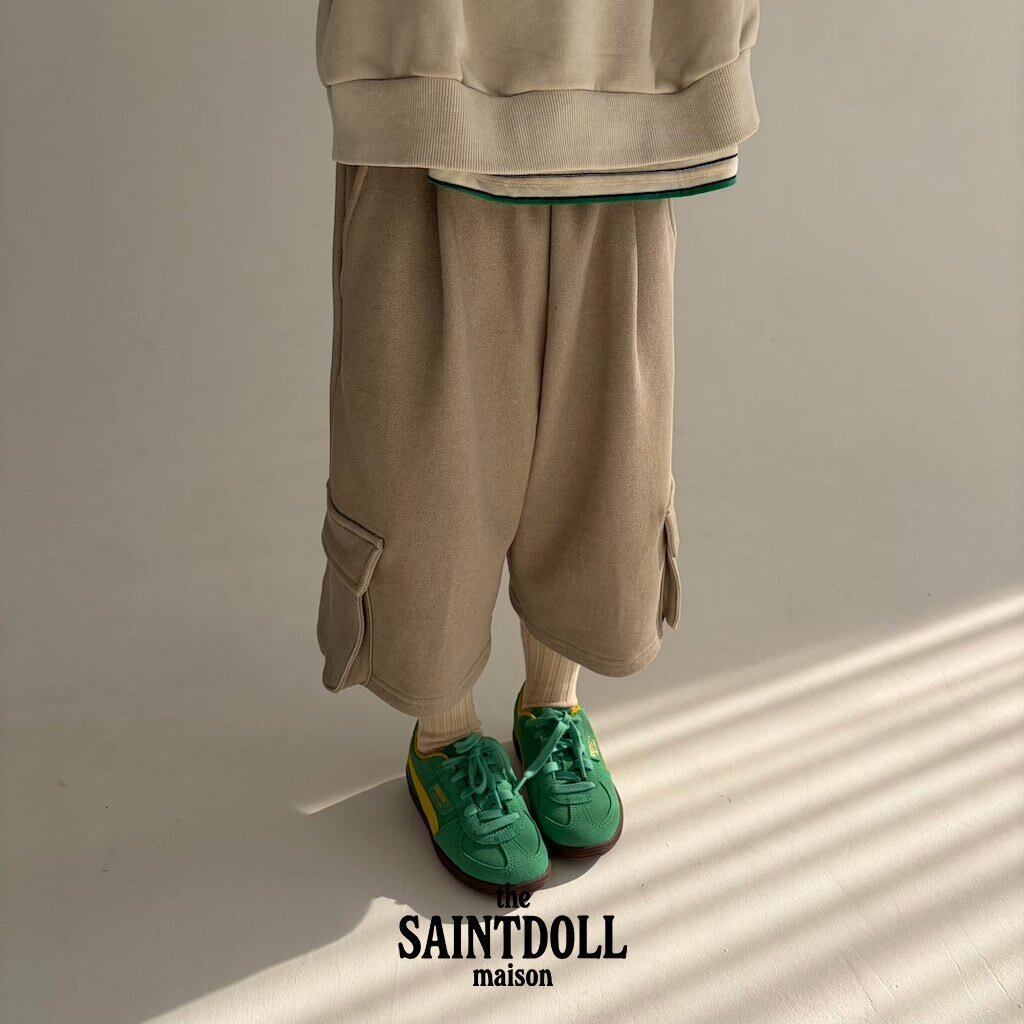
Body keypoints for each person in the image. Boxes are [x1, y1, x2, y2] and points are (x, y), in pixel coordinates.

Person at [314, 0, 759, 893]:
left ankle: (553, 703)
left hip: (625, 78)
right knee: (424, 456)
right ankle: (444, 738)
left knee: (609, 445)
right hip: (434, 76)